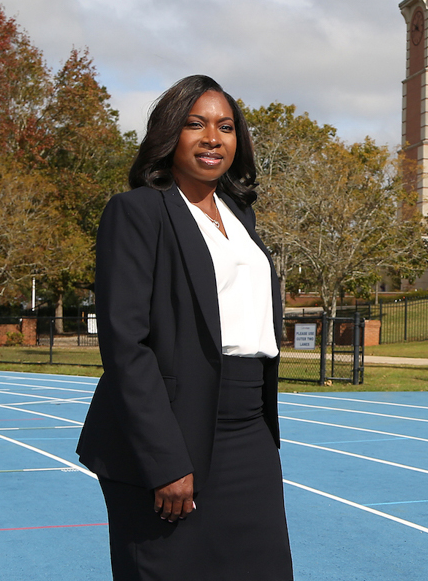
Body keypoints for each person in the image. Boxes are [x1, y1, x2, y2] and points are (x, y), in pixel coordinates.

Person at [77, 75, 293, 580]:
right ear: (169, 134)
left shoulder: (242, 216)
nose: (212, 137)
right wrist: (165, 460)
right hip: (171, 433)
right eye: (195, 124)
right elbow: (126, 345)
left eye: (225, 126)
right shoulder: (137, 212)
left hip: (249, 432)